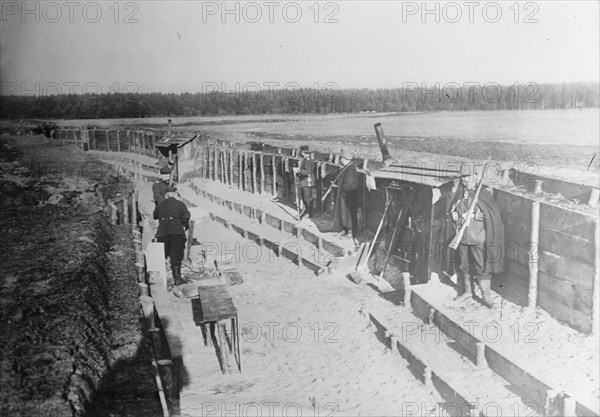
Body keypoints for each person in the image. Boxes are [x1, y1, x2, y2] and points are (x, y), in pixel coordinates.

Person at [447, 168, 505, 308]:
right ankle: (468, 292)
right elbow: (452, 212)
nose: (466, 180)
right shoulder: (459, 194)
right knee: (464, 266)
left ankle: (486, 296)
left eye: (469, 177)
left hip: (478, 236)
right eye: (464, 178)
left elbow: (492, 215)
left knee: (482, 267)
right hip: (462, 237)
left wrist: (480, 215)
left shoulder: (483, 194)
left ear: (476, 178)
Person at [153, 187, 191, 290]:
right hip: (176, 232)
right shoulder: (180, 204)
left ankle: (160, 279)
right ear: (175, 194)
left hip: (162, 232)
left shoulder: (160, 204)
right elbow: (186, 216)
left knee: (162, 255)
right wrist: (180, 222)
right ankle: (177, 279)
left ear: (166, 195)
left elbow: (155, 215)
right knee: (176, 255)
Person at [332, 148, 359, 243]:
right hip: (344, 195)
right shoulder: (346, 167)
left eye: (341, 158)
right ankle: (344, 230)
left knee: (348, 214)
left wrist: (341, 189)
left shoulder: (350, 168)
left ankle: (350, 233)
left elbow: (350, 184)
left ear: (344, 158)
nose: (340, 159)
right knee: (343, 213)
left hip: (348, 196)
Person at [293, 145, 315, 219]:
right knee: (304, 198)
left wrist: (298, 171)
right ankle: (305, 212)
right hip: (304, 181)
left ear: (302, 152)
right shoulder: (305, 159)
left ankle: (309, 213)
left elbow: (307, 172)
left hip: (307, 181)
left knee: (307, 198)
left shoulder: (308, 160)